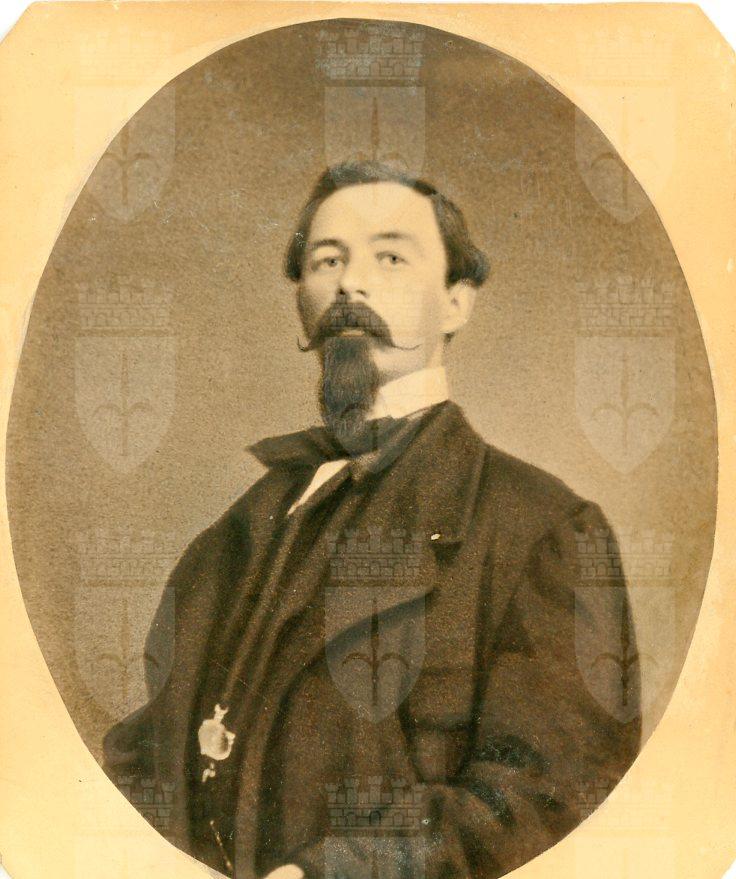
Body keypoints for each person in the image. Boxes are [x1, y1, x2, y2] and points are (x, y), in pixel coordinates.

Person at [103, 161, 641, 879]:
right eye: (327, 260)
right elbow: (150, 763)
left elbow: (553, 795)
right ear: (301, 299)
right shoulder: (233, 537)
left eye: (390, 258)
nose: (350, 285)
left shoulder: (542, 530)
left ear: (456, 303)